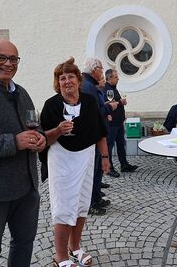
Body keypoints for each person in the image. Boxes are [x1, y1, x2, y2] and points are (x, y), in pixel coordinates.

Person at [40, 58, 110, 267]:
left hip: (86, 158)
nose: (67, 81)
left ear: (78, 79)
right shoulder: (51, 106)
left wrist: (105, 158)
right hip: (61, 159)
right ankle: (60, 256)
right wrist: (58, 130)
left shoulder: (88, 102)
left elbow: (100, 132)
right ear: (57, 83)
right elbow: (44, 139)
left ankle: (75, 247)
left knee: (81, 205)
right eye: (62, 78)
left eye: (71, 76)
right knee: (63, 206)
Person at [0, 39, 46, 267]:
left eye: (13, 59)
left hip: (26, 188)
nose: (8, 63)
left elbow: (34, 124)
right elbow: (17, 139)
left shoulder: (21, 92)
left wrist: (40, 138)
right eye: (0, 57)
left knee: (23, 244)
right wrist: (14, 142)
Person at [81, 58, 118, 215]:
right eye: (101, 69)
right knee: (93, 170)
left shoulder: (88, 84)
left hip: (95, 133)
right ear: (95, 69)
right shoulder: (88, 86)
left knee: (96, 169)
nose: (102, 72)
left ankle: (95, 197)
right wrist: (110, 107)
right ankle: (90, 202)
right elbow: (95, 113)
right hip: (92, 134)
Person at [103, 69, 139, 177]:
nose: (118, 78)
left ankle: (124, 165)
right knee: (109, 145)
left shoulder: (114, 88)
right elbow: (107, 104)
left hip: (119, 122)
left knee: (121, 144)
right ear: (109, 78)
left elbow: (115, 103)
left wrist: (120, 103)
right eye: (115, 77)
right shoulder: (106, 89)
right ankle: (109, 168)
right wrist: (120, 102)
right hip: (111, 123)